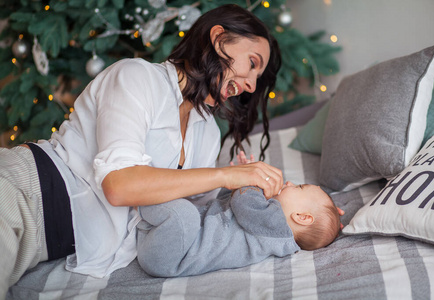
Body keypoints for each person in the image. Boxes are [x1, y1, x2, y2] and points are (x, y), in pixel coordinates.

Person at [0, 4, 285, 297]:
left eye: (257, 78)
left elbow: (200, 216)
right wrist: (225, 175)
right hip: (22, 194)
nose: (251, 85)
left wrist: (258, 196)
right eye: (252, 63)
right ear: (218, 38)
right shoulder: (136, 76)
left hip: (45, 242)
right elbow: (119, 185)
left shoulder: (207, 133)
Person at [137, 182, 341, 277]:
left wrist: (250, 182)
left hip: (170, 256)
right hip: (170, 245)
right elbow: (228, 203)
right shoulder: (267, 224)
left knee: (185, 215)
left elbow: (243, 201)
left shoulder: (276, 227)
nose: (289, 183)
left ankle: (137, 197)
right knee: (185, 210)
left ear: (302, 218)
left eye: (298, 188)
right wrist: (234, 183)